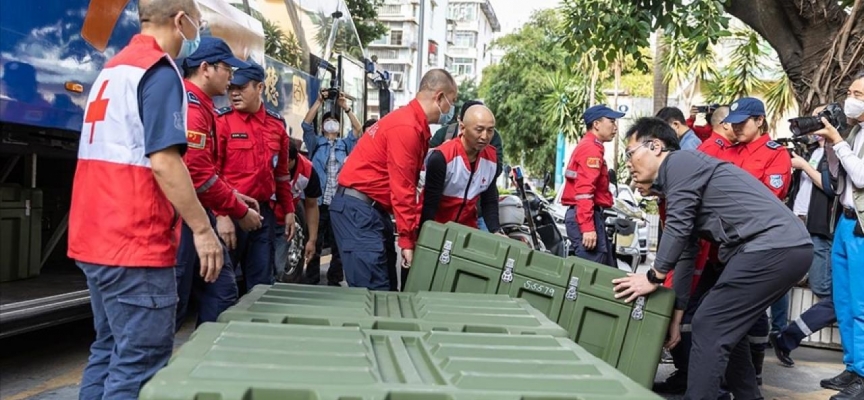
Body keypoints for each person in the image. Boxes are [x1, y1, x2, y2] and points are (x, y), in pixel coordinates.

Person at [67, 1, 224, 397]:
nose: (196, 34)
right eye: (197, 24)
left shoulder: (115, 68)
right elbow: (165, 163)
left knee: (108, 350)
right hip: (134, 242)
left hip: (94, 238)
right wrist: (202, 229)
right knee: (140, 364)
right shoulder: (157, 72)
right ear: (180, 21)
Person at [614, 116, 812, 400]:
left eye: (630, 154)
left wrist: (652, 277)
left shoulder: (679, 163)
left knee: (709, 323)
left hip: (773, 247)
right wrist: (677, 314)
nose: (629, 164)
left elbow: (679, 228)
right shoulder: (679, 179)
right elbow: (686, 250)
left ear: (655, 146)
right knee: (728, 329)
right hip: (779, 248)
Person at [331, 68, 458, 290]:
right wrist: (407, 241)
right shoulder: (407, 127)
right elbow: (403, 188)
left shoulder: (411, 123)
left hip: (369, 210)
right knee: (373, 293)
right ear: (439, 97)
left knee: (386, 288)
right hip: (359, 211)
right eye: (452, 101)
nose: (451, 109)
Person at [174, 37, 260, 331]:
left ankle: (203, 363)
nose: (231, 78)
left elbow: (204, 170)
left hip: (198, 217)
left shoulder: (203, 106)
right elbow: (196, 173)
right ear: (206, 68)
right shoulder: (193, 109)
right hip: (181, 221)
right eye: (227, 69)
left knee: (222, 292)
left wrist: (233, 196)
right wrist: (235, 209)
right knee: (171, 309)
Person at [654, 105, 738, 395]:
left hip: (719, 250)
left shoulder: (685, 162)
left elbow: (685, 236)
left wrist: (656, 275)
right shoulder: (694, 151)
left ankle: (705, 385)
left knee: (702, 319)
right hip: (710, 249)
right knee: (696, 315)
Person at [725, 96, 794, 385]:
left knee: (754, 310)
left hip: (759, 242)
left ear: (759, 121)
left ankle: (753, 372)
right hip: (727, 242)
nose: (737, 128)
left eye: (743, 123)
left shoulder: (775, 154)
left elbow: (770, 198)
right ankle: (732, 373)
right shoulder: (729, 150)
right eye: (733, 123)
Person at [214, 60, 295, 295]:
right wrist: (221, 216)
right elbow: (210, 174)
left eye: (241, 88)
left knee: (260, 286)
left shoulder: (276, 125)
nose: (234, 93)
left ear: (260, 88)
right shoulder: (221, 122)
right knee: (220, 287)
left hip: (262, 216)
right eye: (231, 88)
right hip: (230, 213)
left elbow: (281, 174)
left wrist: (288, 210)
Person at [814, 71, 864, 400]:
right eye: (850, 91)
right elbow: (838, 177)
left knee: (860, 305)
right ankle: (852, 366)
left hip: (861, 227)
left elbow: (861, 178)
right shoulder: (856, 130)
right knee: (844, 303)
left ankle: (863, 375)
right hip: (844, 223)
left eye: (858, 93)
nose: (851, 98)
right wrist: (832, 140)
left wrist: (838, 142)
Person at [301, 90, 362, 286]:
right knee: (314, 240)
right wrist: (319, 101)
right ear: (323, 126)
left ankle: (334, 278)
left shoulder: (345, 144)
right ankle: (311, 277)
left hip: (338, 202)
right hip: (318, 203)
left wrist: (346, 107)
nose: (331, 125)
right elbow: (305, 125)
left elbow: (358, 129)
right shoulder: (315, 144)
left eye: (335, 122)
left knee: (338, 243)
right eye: (328, 122)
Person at [560, 104, 624, 267]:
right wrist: (588, 227)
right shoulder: (591, 149)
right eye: (611, 121)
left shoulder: (591, 146)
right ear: (596, 124)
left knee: (604, 271)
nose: (615, 127)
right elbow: (584, 193)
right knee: (591, 276)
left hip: (587, 215)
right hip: (586, 217)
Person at [420, 105, 501, 232]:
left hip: (466, 231)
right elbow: (430, 204)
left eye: (490, 130)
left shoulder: (491, 158)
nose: (485, 136)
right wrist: (424, 234)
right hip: (436, 227)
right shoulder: (442, 157)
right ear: (462, 128)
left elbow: (489, 200)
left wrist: (496, 231)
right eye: (479, 130)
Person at [274, 142, 323, 283]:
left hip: (284, 222)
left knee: (279, 268)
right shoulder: (269, 165)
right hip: (262, 218)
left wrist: (312, 240)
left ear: (290, 160)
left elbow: (312, 206)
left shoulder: (307, 172)